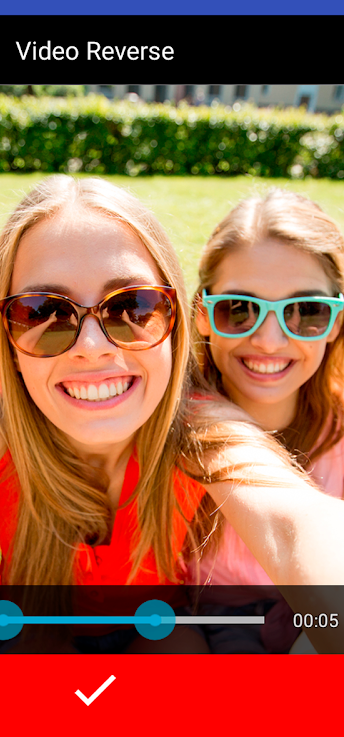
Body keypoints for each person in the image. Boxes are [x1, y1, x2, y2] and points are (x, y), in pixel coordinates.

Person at [0, 176, 344, 654]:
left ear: (175, 323)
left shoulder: (199, 423)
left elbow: (293, 524)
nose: (91, 346)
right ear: (6, 338)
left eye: (133, 307)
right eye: (43, 311)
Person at [192, 188, 344, 651]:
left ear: (336, 323)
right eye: (239, 310)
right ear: (203, 314)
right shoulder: (165, 420)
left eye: (306, 312)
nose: (270, 340)